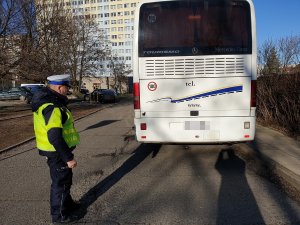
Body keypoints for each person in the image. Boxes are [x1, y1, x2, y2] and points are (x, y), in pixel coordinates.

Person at [31, 74, 80, 224]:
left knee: (65, 181)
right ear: (60, 87)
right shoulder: (53, 107)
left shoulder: (49, 102)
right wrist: (68, 158)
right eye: (67, 87)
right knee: (60, 184)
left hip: (55, 152)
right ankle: (59, 218)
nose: (68, 90)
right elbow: (55, 136)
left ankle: (68, 205)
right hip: (58, 153)